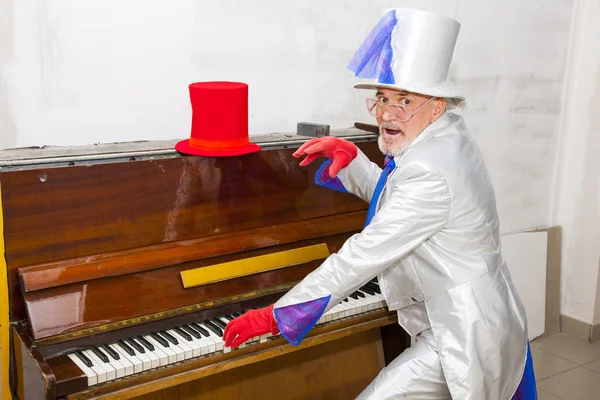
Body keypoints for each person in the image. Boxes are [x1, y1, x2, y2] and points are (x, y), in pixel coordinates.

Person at [223, 8, 537, 399]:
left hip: (461, 330)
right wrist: (352, 160)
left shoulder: (431, 172)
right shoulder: (443, 138)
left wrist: (278, 314)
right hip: (467, 313)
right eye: (383, 98)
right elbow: (400, 201)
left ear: (436, 106)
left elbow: (362, 254)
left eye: (404, 100)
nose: (387, 113)